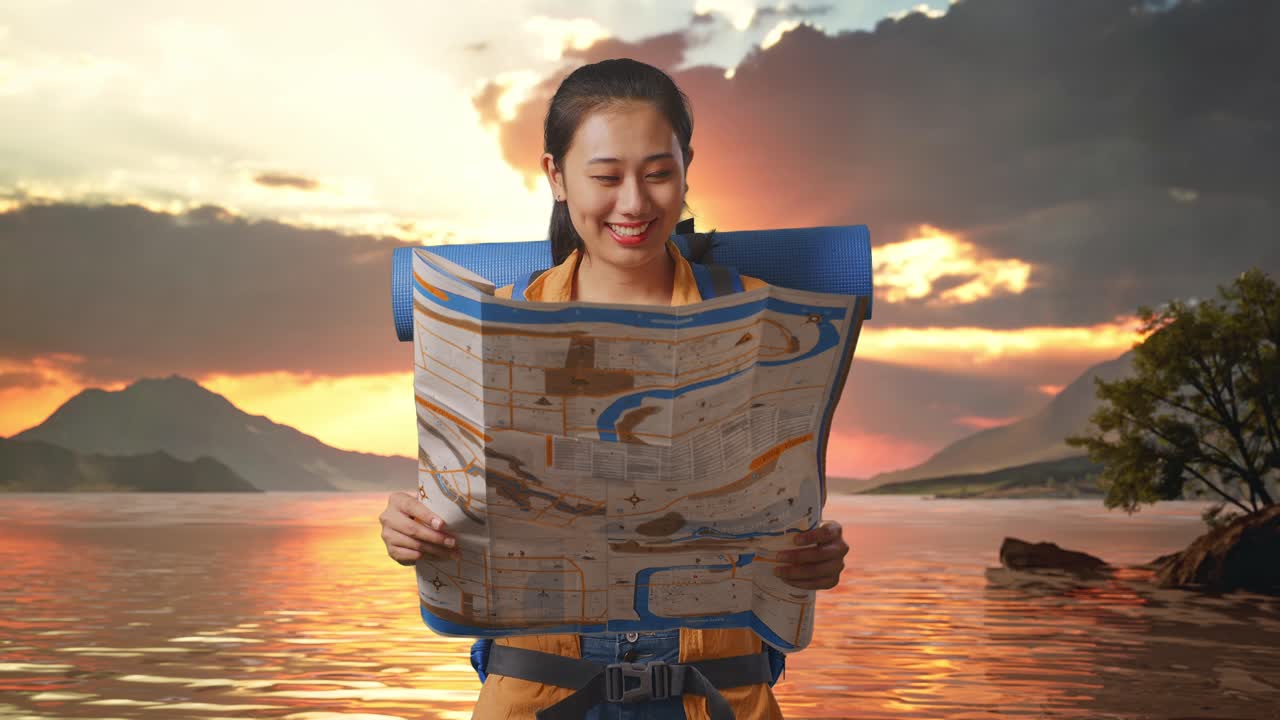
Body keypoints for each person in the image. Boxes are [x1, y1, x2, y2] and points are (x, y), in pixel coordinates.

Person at [379, 58, 850, 719]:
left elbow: (781, 506)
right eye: (606, 177)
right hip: (537, 696)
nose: (634, 202)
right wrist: (413, 533)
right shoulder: (494, 331)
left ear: (688, 169)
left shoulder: (765, 322)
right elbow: (462, 507)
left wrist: (810, 558)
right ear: (556, 177)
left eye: (659, 173)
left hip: (720, 696)